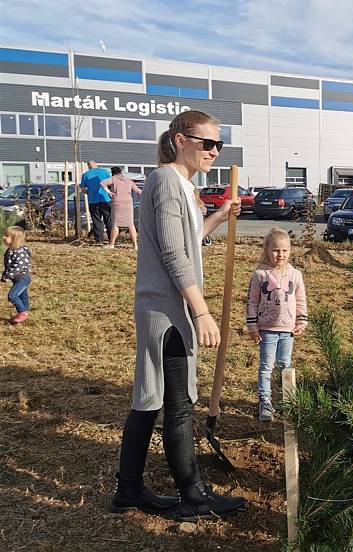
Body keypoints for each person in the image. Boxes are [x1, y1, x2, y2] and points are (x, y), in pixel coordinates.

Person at [110, 110, 247, 521]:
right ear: (180, 140)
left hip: (170, 306)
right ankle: (193, 498)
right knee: (178, 405)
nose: (214, 152)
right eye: (208, 143)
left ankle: (129, 491)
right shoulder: (168, 180)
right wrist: (201, 311)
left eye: (219, 145)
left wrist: (220, 216)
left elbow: (187, 241)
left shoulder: (183, 186)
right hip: (169, 310)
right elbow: (172, 254)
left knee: (150, 402)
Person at [245, 227, 308, 422]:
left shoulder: (295, 275)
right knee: (266, 366)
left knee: (284, 365)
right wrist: (253, 327)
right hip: (267, 330)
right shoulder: (260, 275)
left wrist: (301, 320)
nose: (280, 255)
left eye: (284, 250)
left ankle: (285, 400)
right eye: (275, 250)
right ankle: (265, 400)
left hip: (288, 330)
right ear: (267, 250)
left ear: (290, 250)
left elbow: (300, 299)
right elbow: (252, 302)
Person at [101, 166, 142, 250]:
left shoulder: (113, 178)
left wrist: (109, 192)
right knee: (131, 224)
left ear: (113, 173)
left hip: (117, 203)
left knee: (116, 224)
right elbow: (138, 191)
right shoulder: (129, 180)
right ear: (120, 172)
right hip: (128, 204)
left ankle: (111, 244)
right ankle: (135, 245)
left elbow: (102, 183)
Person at [2, 225, 32, 324]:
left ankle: (22, 312)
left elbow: (17, 267)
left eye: (6, 236)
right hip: (16, 278)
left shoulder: (20, 253)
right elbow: (8, 266)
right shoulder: (10, 251)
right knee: (23, 295)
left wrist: (7, 276)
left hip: (23, 278)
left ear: (15, 239)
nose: (3, 237)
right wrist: (4, 277)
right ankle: (25, 311)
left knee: (12, 296)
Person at [80, 160, 113, 244]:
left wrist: (89, 192)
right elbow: (110, 183)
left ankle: (99, 240)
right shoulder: (104, 172)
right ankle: (111, 239)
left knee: (96, 220)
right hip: (105, 199)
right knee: (108, 219)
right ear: (96, 165)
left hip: (93, 201)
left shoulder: (85, 174)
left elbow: (83, 189)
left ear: (88, 166)